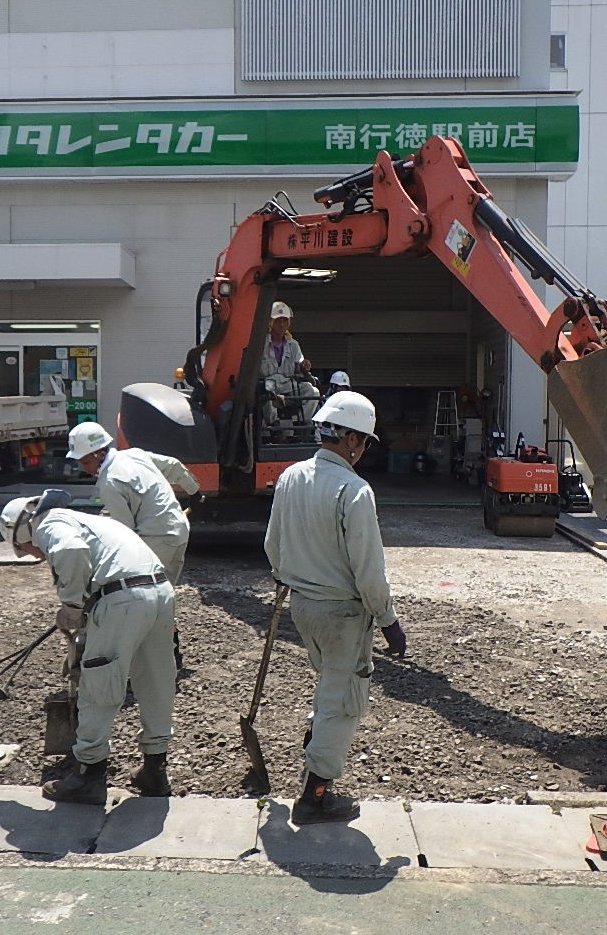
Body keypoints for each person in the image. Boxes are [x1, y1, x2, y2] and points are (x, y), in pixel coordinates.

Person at [264, 390, 406, 825]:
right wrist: (389, 621)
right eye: (362, 442)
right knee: (343, 702)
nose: (362, 451)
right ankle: (316, 797)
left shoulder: (290, 477)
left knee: (330, 686)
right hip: (343, 614)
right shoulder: (354, 490)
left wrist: (289, 576)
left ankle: (316, 741)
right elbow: (368, 570)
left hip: (303, 608)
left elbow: (272, 544)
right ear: (348, 439)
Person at [0, 488, 177, 804]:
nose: (34, 555)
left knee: (99, 684)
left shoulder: (50, 523)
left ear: (25, 527)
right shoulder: (89, 521)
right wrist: (82, 638)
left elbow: (70, 550)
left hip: (122, 599)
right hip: (158, 591)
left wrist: (70, 604)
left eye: (25, 548)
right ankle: (155, 769)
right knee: (156, 681)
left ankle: (89, 775)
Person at [66, 421, 199, 668]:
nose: (83, 468)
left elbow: (124, 535)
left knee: (143, 599)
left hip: (156, 540)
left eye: (85, 462)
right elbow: (173, 466)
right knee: (161, 595)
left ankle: (159, 659)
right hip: (178, 531)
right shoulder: (135, 455)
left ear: (99, 453)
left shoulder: (109, 482)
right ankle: (169, 656)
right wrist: (194, 491)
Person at [260, 300, 320, 428]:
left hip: (288, 384)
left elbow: (299, 363)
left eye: (285, 320)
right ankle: (273, 424)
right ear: (270, 322)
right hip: (269, 384)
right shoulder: (261, 343)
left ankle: (302, 423)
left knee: (312, 392)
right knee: (267, 389)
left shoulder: (293, 344)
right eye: (278, 321)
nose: (281, 324)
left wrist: (304, 365)